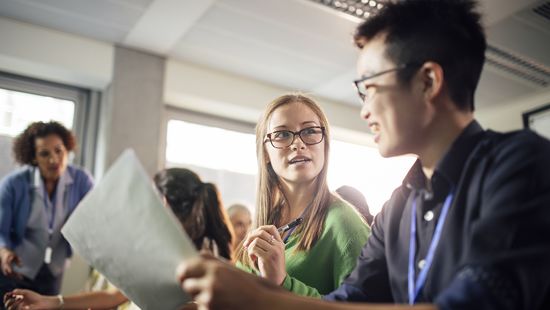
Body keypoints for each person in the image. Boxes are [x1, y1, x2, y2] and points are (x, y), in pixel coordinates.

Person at [176, 0, 550, 309]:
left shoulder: (521, 164)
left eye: (369, 86)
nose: (364, 109)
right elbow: (347, 301)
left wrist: (262, 299)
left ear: (428, 81)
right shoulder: (400, 207)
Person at [3, 167, 234, 310]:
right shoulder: (157, 250)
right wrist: (50, 302)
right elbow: (115, 296)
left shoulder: (207, 258)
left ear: (163, 203)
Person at [235, 94, 370, 297]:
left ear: (325, 144)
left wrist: (282, 282)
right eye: (282, 134)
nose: (298, 144)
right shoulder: (265, 220)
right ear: (265, 153)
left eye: (309, 131)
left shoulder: (344, 223)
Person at [0, 121, 94, 300]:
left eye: (59, 150)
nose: (54, 160)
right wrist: (4, 252)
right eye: (44, 153)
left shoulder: (82, 181)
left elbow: (96, 215)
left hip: (53, 271)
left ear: (67, 149)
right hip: (15, 269)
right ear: (34, 157)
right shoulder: (13, 184)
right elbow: (1, 230)